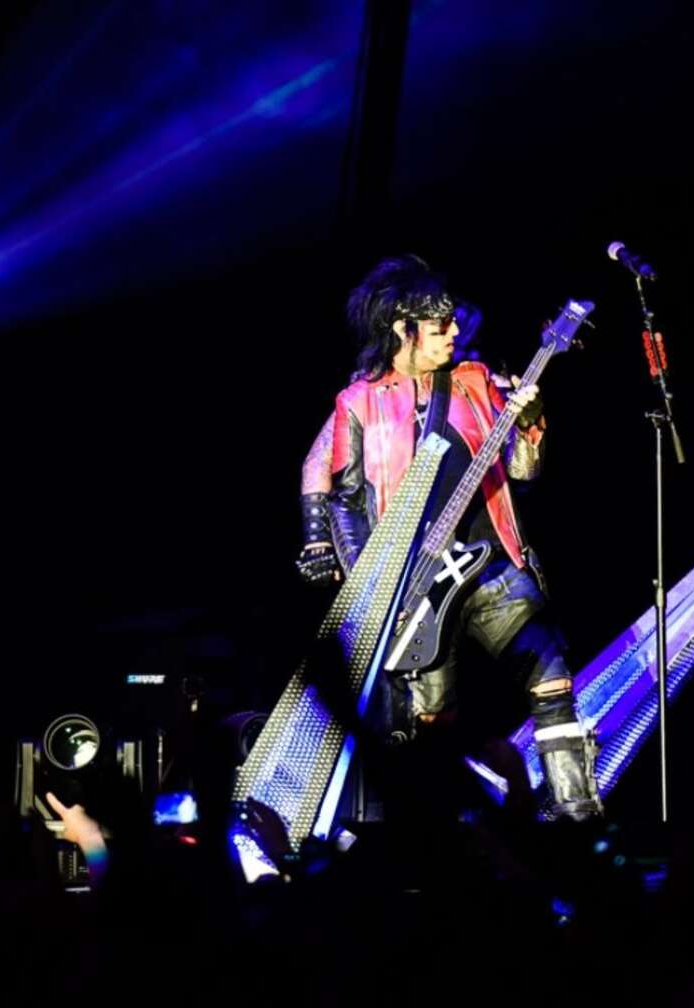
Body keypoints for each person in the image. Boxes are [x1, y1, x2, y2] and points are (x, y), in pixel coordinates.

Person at [295, 254, 600, 821]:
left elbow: (523, 473)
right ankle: (443, 832)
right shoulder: (359, 401)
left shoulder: (474, 381)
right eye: (441, 326)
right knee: (431, 717)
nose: (455, 331)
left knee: (551, 675)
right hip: (417, 584)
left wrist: (529, 423)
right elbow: (346, 499)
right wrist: (373, 583)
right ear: (402, 328)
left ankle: (577, 814)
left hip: (492, 562)